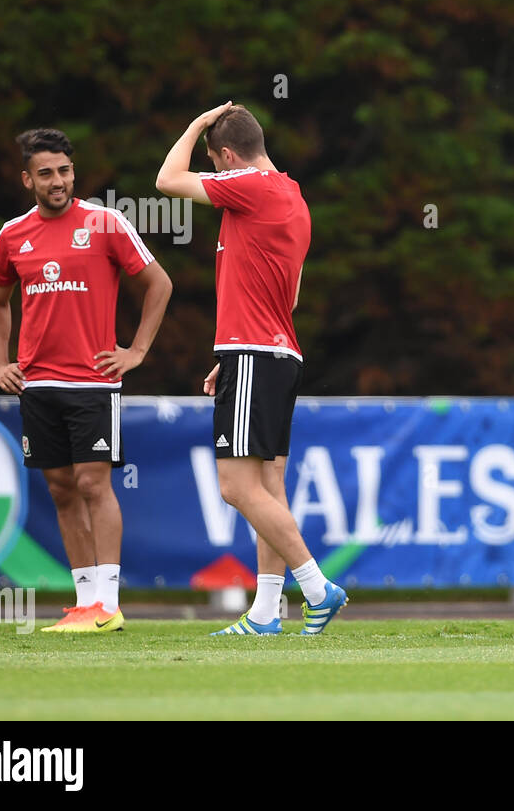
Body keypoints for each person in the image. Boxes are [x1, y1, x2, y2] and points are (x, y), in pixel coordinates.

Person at [156, 103, 345, 636]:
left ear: (228, 157)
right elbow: (293, 292)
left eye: (216, 164)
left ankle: (316, 589)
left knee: (236, 489)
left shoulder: (248, 184)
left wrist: (194, 124)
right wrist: (233, 354)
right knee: (269, 488)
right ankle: (265, 613)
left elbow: (167, 180)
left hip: (254, 353)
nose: (215, 176)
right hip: (279, 353)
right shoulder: (294, 196)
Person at [0, 128, 173, 633]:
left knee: (94, 482)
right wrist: (0, 362)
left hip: (93, 381)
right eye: (45, 173)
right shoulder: (12, 235)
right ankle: (86, 604)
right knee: (62, 488)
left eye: (64, 171)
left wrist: (135, 351)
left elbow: (159, 283)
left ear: (74, 172)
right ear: (28, 179)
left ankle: (108, 605)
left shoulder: (105, 222)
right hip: (37, 384)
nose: (57, 181)